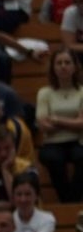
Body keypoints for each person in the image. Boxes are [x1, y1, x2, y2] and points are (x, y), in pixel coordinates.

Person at [37, 47, 83, 203]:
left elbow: (82, 124)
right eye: (59, 63)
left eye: (67, 62)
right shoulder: (45, 93)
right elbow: (43, 125)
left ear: (75, 67)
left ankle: (70, 202)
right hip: (52, 143)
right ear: (53, 67)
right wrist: (73, 122)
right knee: (52, 158)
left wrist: (56, 120)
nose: (63, 66)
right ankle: (69, 202)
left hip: (79, 141)